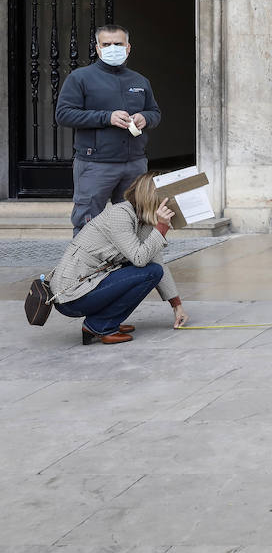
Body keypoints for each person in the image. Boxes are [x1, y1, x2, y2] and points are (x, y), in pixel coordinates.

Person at [49, 173, 188, 345]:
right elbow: (139, 259)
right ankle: (100, 325)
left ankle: (106, 321)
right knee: (149, 272)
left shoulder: (141, 220)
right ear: (152, 199)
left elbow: (157, 262)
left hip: (90, 284)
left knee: (153, 270)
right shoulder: (120, 215)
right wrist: (161, 227)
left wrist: (177, 306)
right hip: (71, 295)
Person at [55, 24, 162, 234]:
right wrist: (107, 117)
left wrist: (145, 118)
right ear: (98, 48)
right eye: (107, 44)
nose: (113, 48)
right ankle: (86, 266)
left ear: (128, 47)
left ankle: (133, 264)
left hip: (134, 163)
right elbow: (64, 114)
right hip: (95, 164)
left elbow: (155, 113)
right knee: (88, 222)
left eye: (118, 44)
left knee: (138, 221)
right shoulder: (80, 78)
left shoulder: (140, 81)